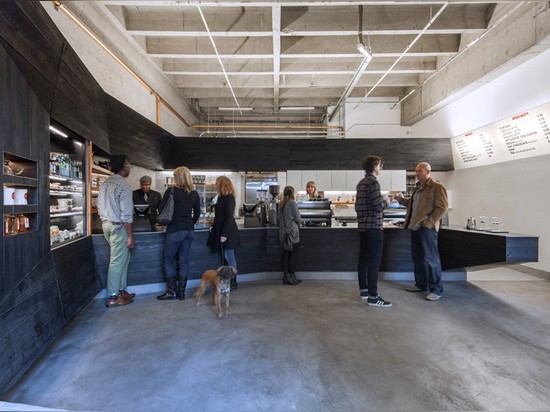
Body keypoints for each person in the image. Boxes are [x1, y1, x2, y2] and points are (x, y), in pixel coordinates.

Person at [395, 162, 448, 301]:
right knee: (418, 258)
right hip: (414, 227)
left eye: (420, 171)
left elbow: (442, 208)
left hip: (426, 229)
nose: (417, 173)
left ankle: (436, 289)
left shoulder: (437, 187)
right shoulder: (417, 189)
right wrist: (401, 200)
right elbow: (413, 206)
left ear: (428, 172)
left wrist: (429, 223)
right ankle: (420, 284)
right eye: (416, 171)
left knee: (431, 259)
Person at [157, 167, 201, 301]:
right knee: (183, 261)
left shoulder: (171, 191)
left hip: (175, 230)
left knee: (168, 260)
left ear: (177, 178)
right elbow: (197, 214)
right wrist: (189, 223)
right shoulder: (194, 193)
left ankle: (171, 292)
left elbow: (161, 209)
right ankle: (181, 293)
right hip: (189, 231)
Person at [98, 155, 135, 308]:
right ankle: (113, 297)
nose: (129, 167)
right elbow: (126, 215)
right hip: (119, 227)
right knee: (116, 262)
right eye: (128, 164)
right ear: (122, 167)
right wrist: (130, 235)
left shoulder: (105, 184)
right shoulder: (123, 186)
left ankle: (121, 291)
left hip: (106, 224)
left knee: (123, 260)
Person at [355, 155, 392, 307]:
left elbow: (359, 206)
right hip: (374, 228)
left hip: (363, 227)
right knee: (374, 262)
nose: (380, 168)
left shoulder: (361, 183)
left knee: (363, 259)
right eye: (379, 165)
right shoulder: (373, 183)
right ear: (374, 166)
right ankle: (373, 296)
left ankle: (364, 290)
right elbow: (378, 206)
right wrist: (386, 202)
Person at [210, 176, 241, 290]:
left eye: (217, 183)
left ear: (222, 184)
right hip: (223, 231)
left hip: (228, 233)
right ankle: (229, 280)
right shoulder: (221, 197)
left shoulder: (229, 198)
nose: (215, 185)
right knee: (225, 257)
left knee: (229, 257)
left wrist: (224, 234)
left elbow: (229, 217)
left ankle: (233, 281)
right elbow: (219, 216)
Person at [277, 186, 303, 286]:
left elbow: (279, 220)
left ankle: (286, 277)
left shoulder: (281, 204)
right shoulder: (292, 203)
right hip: (292, 234)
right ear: (292, 194)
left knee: (285, 255)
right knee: (293, 256)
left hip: (283, 234)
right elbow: (298, 219)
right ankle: (292, 277)